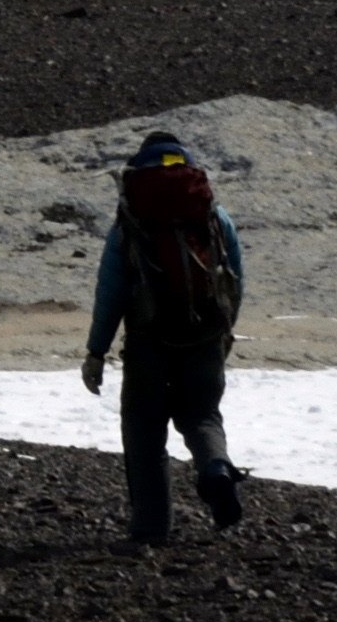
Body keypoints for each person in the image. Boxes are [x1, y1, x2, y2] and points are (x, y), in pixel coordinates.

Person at [83, 129, 252, 545]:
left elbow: (111, 292)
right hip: (206, 335)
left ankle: (151, 525)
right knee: (202, 415)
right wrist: (224, 331)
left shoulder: (131, 218)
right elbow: (235, 278)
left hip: (149, 340)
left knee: (144, 427)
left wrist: (96, 352)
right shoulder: (212, 213)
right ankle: (215, 469)